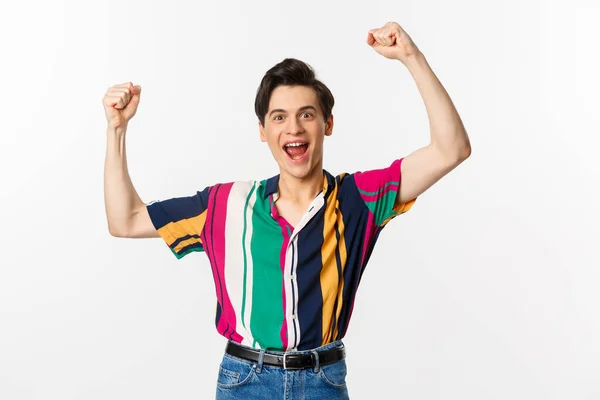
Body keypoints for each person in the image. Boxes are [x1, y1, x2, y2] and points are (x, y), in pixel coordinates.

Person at [103, 21, 471, 400]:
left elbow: (451, 149)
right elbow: (125, 219)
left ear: (327, 123)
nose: (293, 127)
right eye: (278, 117)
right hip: (244, 382)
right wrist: (116, 129)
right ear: (263, 130)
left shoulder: (358, 198)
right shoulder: (224, 205)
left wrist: (412, 57)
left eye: (306, 114)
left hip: (323, 382)